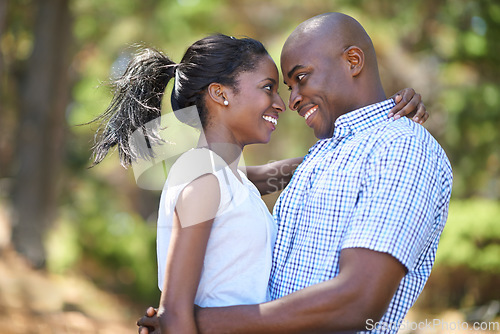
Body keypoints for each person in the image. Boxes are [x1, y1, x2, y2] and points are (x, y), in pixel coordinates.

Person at [137, 12, 452, 334]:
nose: (289, 101)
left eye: (300, 78)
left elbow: (359, 300)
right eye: (273, 87)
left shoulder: (398, 147)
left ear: (353, 61)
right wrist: (178, 319)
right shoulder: (210, 176)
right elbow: (175, 308)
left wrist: (193, 321)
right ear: (220, 94)